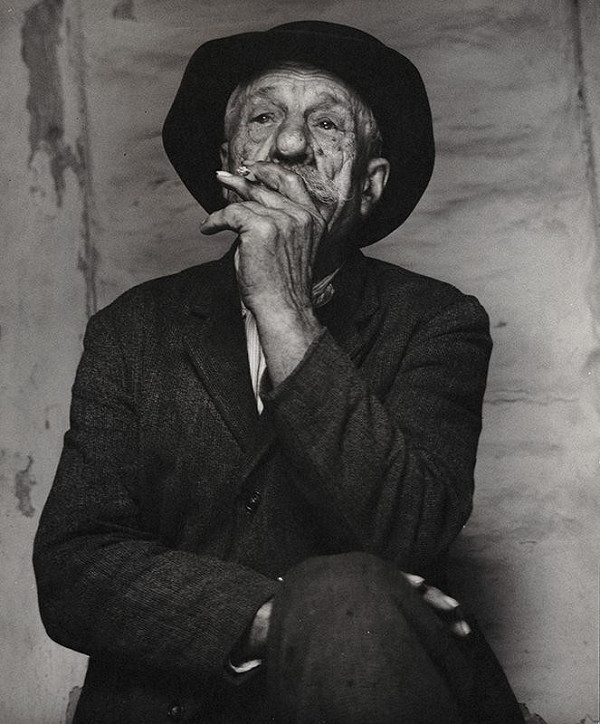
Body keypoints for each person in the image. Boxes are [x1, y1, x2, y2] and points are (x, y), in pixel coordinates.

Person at [33, 21, 526, 724]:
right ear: (227, 165)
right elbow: (75, 569)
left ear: (369, 186)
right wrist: (280, 616)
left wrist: (283, 306)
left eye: (325, 123)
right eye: (263, 118)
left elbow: (407, 533)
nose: (290, 145)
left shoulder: (436, 321)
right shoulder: (132, 329)